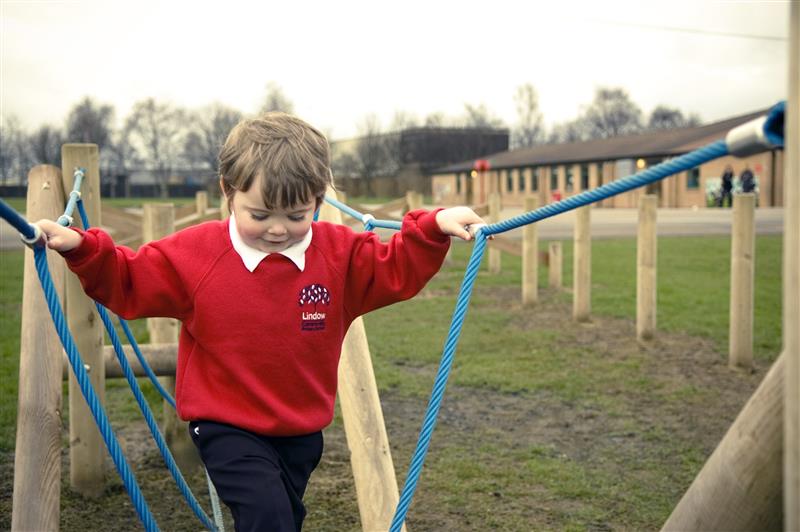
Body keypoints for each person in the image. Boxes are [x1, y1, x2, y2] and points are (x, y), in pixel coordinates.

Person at [34, 112, 488, 532]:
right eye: (260, 214)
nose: (277, 229)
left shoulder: (339, 256)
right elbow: (129, 278)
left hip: (301, 429)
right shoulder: (197, 255)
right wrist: (82, 248)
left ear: (318, 198)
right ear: (228, 191)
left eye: (296, 215)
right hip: (225, 423)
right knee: (267, 514)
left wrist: (432, 227)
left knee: (285, 517)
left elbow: (396, 268)